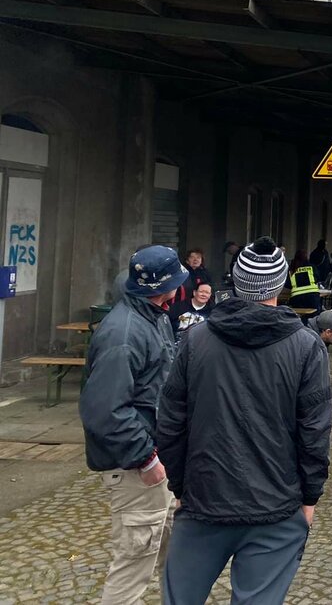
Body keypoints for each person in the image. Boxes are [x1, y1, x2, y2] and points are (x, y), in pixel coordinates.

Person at [157, 237, 332, 605]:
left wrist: (180, 487)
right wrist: (309, 497)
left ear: (236, 282)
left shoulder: (195, 340)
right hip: (276, 507)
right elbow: (314, 431)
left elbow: (170, 422)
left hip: (204, 500)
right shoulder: (306, 346)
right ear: (280, 285)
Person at [80, 245, 186, 605]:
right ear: (164, 287)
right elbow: (104, 411)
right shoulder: (124, 334)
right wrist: (147, 460)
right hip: (136, 468)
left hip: (153, 458)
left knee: (166, 549)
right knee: (133, 566)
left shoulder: (150, 315)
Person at [287, 251, 322, 318]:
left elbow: (288, 284)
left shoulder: (292, 269)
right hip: (312, 296)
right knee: (315, 317)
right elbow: (318, 278)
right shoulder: (311, 267)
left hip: (297, 298)